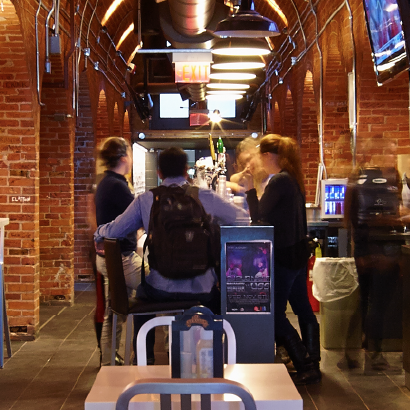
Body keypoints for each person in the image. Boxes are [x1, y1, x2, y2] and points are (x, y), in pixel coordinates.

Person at [95, 146, 247, 314]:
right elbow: (242, 219)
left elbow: (115, 230)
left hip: (161, 290)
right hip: (202, 290)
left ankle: (143, 339)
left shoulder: (146, 199)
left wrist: (98, 233)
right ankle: (217, 336)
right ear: (186, 171)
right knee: (219, 301)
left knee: (141, 292)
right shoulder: (205, 196)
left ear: (159, 173)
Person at [243, 134, 321, 385]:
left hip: (285, 256)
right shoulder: (292, 179)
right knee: (303, 308)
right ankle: (314, 361)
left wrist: (249, 191)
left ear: (267, 156)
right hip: (298, 253)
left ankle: (304, 363)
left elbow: (258, 218)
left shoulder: (278, 182)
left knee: (273, 315)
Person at [344, 158, 410, 372]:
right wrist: (401, 220)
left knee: (365, 302)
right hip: (381, 251)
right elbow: (374, 219)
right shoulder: (376, 183)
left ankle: (357, 350)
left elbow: (353, 220)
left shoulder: (360, 181)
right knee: (378, 304)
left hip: (366, 250)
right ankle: (373, 351)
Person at [92, 136, 142, 364]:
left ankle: (109, 360)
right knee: (161, 287)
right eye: (129, 154)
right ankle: (146, 355)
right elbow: (138, 217)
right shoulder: (118, 186)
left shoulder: (105, 182)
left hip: (108, 258)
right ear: (124, 158)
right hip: (122, 259)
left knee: (114, 310)